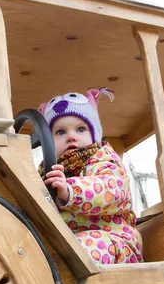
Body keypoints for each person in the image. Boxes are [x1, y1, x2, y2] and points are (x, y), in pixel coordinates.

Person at [38, 88, 143, 264]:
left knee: (78, 249)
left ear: (94, 135)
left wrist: (71, 191)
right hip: (69, 244)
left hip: (114, 242)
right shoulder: (46, 172)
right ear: (48, 142)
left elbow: (111, 189)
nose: (71, 136)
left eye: (80, 129)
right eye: (60, 132)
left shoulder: (103, 159)